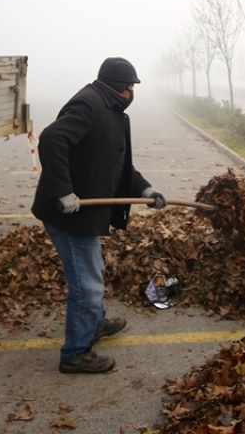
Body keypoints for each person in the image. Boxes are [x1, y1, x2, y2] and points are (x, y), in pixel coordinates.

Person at [31, 57, 167, 374]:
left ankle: (96, 323)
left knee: (93, 271)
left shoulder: (110, 111)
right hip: (69, 215)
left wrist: (146, 190)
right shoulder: (88, 104)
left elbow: (119, 166)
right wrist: (63, 192)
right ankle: (76, 353)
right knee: (87, 286)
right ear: (117, 85)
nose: (131, 92)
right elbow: (52, 139)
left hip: (85, 216)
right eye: (129, 86)